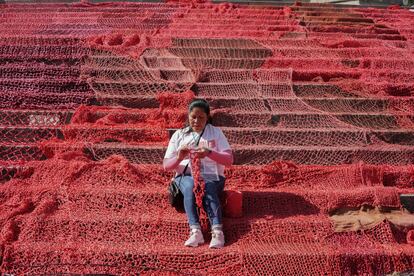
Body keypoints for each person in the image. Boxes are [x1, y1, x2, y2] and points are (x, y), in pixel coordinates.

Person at [163, 99, 233, 249]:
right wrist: (180, 157)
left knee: (206, 185)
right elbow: (167, 166)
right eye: (193, 117)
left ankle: (217, 231)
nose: (196, 121)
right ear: (188, 116)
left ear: (207, 117)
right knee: (190, 187)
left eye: (201, 117)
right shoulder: (179, 135)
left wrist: (209, 153)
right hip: (185, 175)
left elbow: (229, 160)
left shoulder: (216, 132)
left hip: (213, 176)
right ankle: (195, 231)